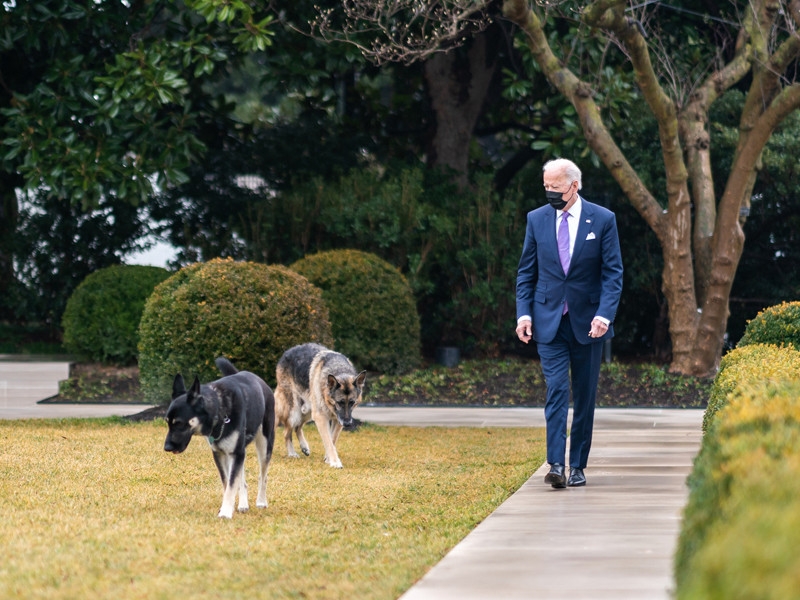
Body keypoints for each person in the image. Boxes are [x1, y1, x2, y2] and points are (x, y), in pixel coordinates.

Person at [515, 158, 623, 488]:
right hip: (548, 321)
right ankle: (556, 465)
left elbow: (612, 273)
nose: (550, 192)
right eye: (545, 186)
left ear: (574, 186)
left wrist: (604, 315)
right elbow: (526, 272)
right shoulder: (536, 219)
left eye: (555, 187)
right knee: (557, 391)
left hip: (589, 323)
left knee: (585, 396)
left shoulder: (603, 219)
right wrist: (524, 313)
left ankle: (578, 465)